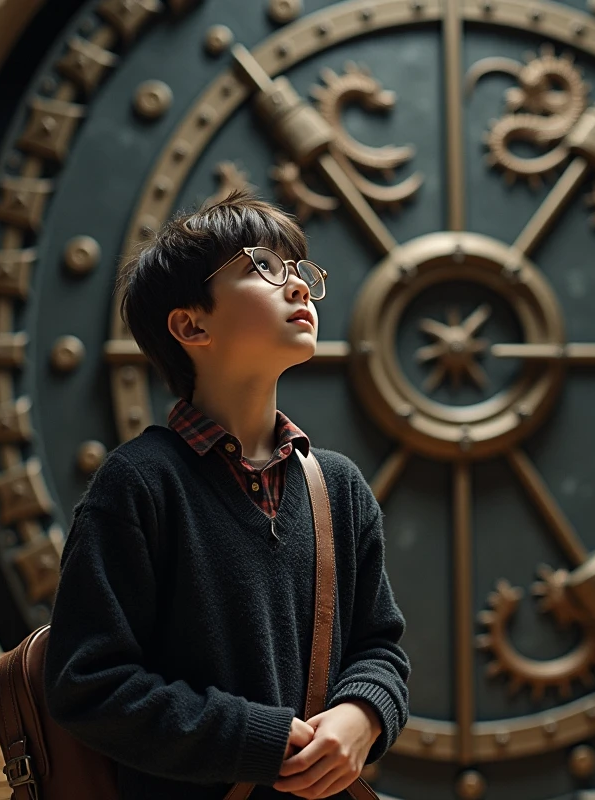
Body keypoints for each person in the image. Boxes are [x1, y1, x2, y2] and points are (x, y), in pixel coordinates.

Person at [43, 189, 411, 800]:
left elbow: (380, 650)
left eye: (300, 273)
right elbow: (89, 683)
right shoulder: (139, 484)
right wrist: (255, 740)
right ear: (191, 325)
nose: (297, 287)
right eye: (262, 269)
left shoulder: (339, 488)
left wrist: (364, 715)